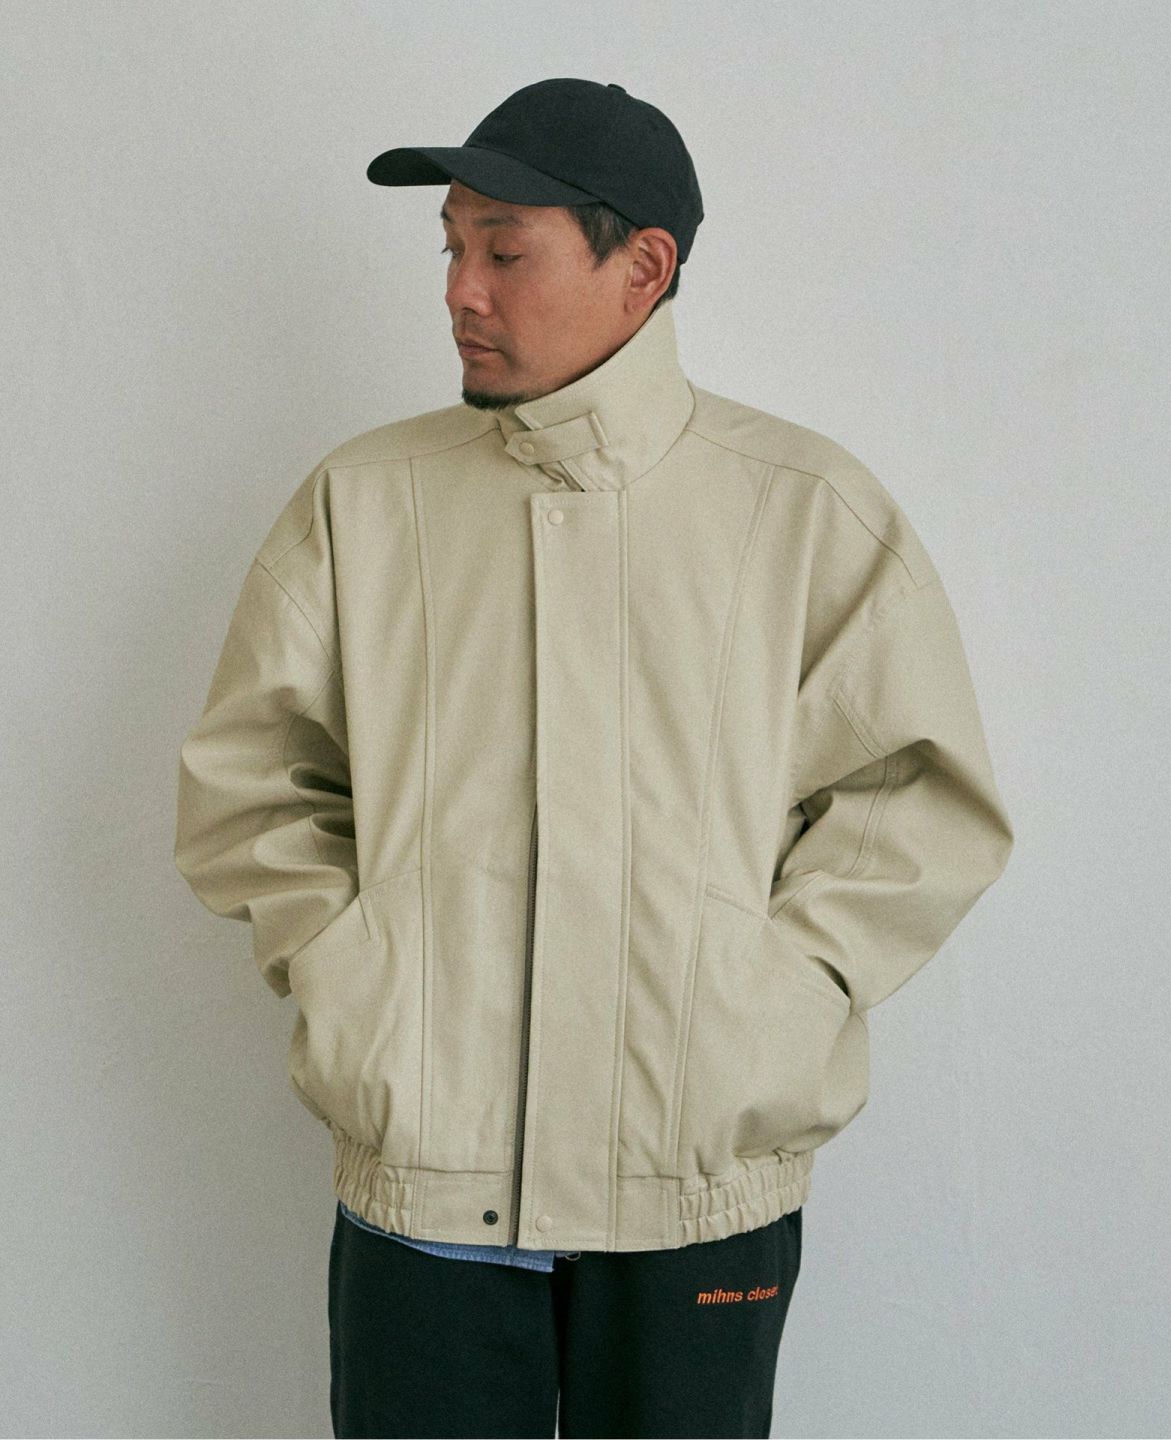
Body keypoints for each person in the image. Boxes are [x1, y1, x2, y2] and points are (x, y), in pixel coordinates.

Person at [174, 76, 1015, 1439]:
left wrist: (765, 1012)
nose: (461, 290)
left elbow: (918, 805)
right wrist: (351, 970)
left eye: (504, 251)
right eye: (451, 247)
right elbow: (252, 782)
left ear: (644, 266)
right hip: (428, 1182)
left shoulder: (805, 512)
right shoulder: (365, 504)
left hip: (696, 1177)